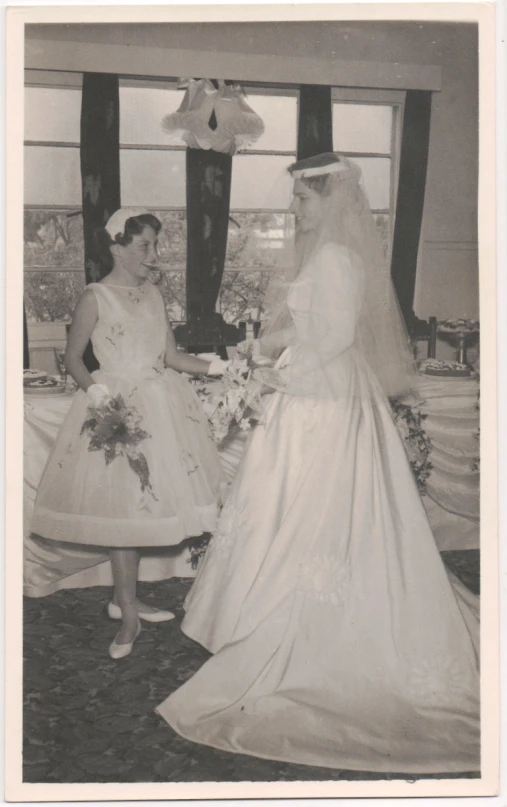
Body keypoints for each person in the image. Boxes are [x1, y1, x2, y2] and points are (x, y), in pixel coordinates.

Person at [156, 155, 480, 774]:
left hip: (323, 402)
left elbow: (330, 340)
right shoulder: (328, 255)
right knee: (291, 512)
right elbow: (311, 329)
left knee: (315, 515)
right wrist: (258, 349)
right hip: (319, 391)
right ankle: (254, 616)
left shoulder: (334, 258)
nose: (293, 210)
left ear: (327, 200)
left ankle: (285, 624)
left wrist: (273, 375)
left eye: (301, 200)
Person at [30, 208, 228, 659]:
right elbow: (74, 357)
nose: (153, 255)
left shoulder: (154, 294)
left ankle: (125, 601)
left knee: (140, 512)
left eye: (156, 245)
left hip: (160, 408)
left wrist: (221, 367)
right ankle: (129, 615)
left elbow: (173, 358)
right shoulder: (95, 296)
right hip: (115, 409)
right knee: (124, 515)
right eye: (145, 245)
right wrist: (97, 394)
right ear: (116, 247)